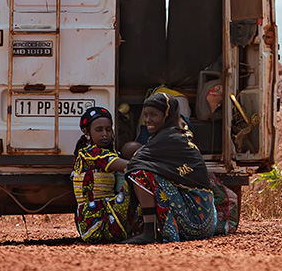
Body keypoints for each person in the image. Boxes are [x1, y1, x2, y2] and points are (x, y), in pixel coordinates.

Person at [125, 92, 217, 243]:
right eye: (146, 115)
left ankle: (149, 232)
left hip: (195, 221)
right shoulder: (173, 135)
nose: (148, 120)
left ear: (167, 116)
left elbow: (135, 163)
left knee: (139, 174)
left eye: (153, 115)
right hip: (205, 221)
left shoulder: (168, 139)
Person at [72, 107, 137, 243]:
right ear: (86, 132)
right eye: (99, 130)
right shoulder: (88, 154)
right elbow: (129, 167)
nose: (105, 134)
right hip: (94, 224)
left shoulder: (112, 154)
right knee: (141, 178)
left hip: (107, 215)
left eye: (108, 129)